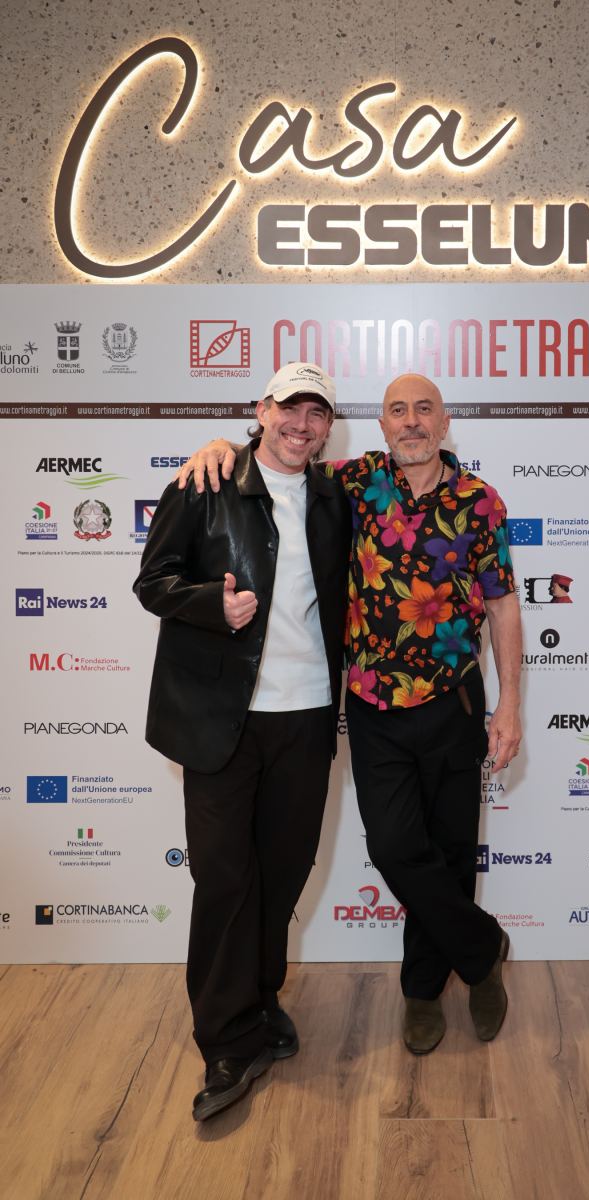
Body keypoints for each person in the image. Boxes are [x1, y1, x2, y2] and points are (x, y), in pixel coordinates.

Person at [179, 373, 522, 1055]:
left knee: (453, 852)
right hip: (373, 707)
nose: (411, 421)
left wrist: (510, 702)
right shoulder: (351, 484)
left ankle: (423, 991)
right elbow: (276, 460)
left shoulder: (479, 501)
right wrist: (219, 447)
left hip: (455, 701)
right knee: (395, 848)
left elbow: (504, 603)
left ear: (444, 422)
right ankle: (482, 949)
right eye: (397, 411)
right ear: (382, 426)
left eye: (424, 409)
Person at [133, 363, 350, 1121]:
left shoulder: (337, 498)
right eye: (289, 408)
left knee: (282, 875)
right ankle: (226, 1040)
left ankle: (259, 1001)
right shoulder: (205, 483)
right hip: (222, 717)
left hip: (308, 714)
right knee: (226, 878)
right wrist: (208, 605)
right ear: (262, 409)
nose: (301, 424)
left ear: (328, 428)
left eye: (316, 413)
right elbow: (152, 581)